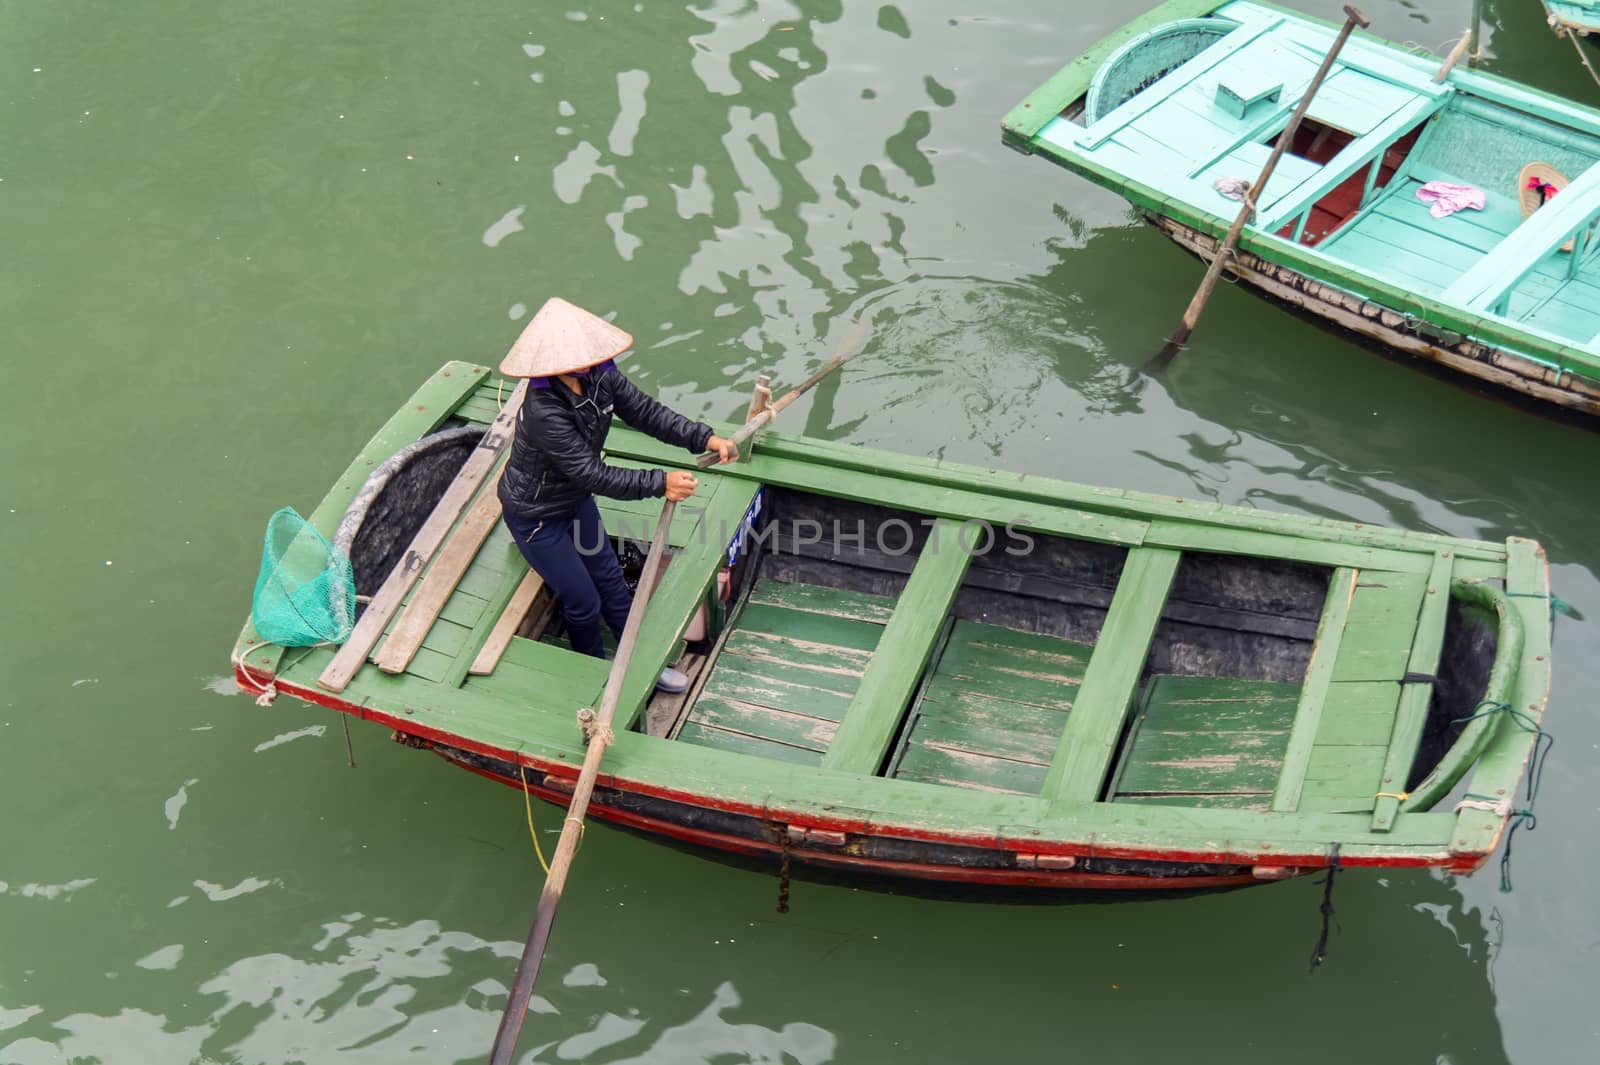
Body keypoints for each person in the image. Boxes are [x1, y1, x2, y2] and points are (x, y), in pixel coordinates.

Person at [496, 297, 735, 692]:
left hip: (573, 500)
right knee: (583, 602)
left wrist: (703, 437)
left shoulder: (601, 375)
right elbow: (594, 475)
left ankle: (637, 665)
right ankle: (593, 672)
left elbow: (645, 412)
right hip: (536, 517)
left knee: (611, 579)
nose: (588, 360)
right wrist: (661, 483)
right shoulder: (544, 411)